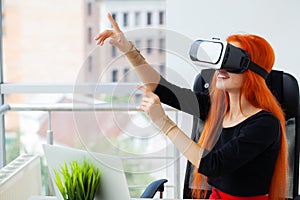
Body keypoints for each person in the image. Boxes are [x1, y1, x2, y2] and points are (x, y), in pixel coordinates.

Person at [94, 13, 288, 200]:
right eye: (221, 59)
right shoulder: (216, 108)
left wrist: (164, 123)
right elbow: (161, 89)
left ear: (253, 72)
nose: (220, 68)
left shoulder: (265, 124)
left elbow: (213, 165)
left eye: (231, 61)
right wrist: (129, 50)